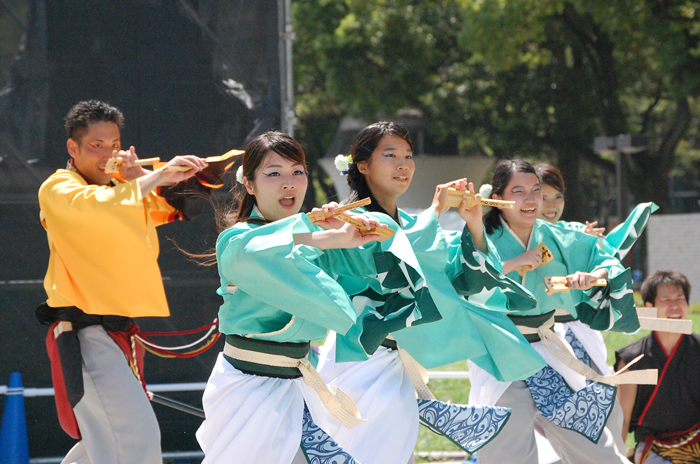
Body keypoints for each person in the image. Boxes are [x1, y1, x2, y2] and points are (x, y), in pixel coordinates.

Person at [313, 122, 546, 464]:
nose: (403, 164)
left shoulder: (410, 222)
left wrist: (474, 222)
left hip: (397, 362)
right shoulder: (350, 222)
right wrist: (435, 210)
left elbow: (464, 279)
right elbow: (399, 261)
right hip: (360, 360)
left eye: (408, 155)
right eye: (390, 155)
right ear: (362, 165)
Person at [195, 131, 422, 464]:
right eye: (274, 173)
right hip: (250, 385)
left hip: (299, 383)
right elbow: (261, 251)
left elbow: (368, 278)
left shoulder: (312, 239)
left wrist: (368, 233)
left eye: (297, 172)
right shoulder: (237, 239)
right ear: (249, 184)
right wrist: (324, 237)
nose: (289, 183)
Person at [37, 100, 208, 464]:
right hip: (84, 332)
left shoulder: (123, 188)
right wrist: (151, 179)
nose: (107, 153)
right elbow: (99, 206)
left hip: (119, 334)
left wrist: (187, 176)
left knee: (106, 440)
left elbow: (177, 207)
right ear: (73, 148)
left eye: (113, 144)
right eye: (96, 145)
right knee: (132, 436)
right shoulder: (58, 188)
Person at [469, 159, 650, 464]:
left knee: (596, 451)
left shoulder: (559, 237)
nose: (530, 199)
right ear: (496, 197)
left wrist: (594, 277)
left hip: (550, 349)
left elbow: (602, 258)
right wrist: (514, 263)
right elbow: (462, 277)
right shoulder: (479, 236)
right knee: (507, 455)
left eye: (536, 190)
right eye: (518, 191)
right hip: (501, 351)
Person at [533, 163, 658, 461]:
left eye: (557, 198)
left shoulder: (574, 233)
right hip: (538, 345)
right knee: (556, 434)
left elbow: (607, 263)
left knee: (606, 421)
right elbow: (537, 282)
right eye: (543, 197)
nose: (550, 207)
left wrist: (592, 250)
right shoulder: (514, 238)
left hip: (580, 339)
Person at [616, 270, 700, 464]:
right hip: (654, 446)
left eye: (680, 299)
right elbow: (622, 421)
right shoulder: (632, 359)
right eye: (666, 301)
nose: (675, 307)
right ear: (650, 307)